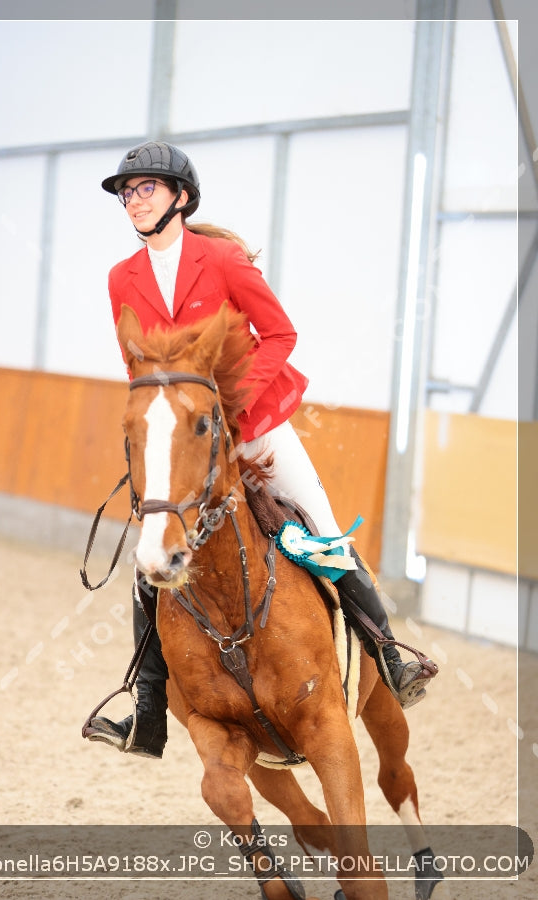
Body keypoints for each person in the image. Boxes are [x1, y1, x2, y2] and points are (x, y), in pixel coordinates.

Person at [85, 141, 437, 758]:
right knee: (151, 555)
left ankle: (390, 655)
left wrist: (234, 406)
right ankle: (147, 713)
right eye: (128, 192)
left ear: (181, 198)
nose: (134, 201)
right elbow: (137, 364)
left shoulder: (221, 259)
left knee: (324, 531)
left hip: (256, 426)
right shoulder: (122, 278)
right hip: (184, 442)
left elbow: (281, 333)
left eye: (147, 189)